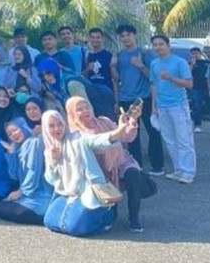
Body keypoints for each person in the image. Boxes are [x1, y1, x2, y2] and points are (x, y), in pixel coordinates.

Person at [66, 95, 155, 232]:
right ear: (72, 113)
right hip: (99, 171)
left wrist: (132, 120)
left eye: (87, 107)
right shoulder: (75, 134)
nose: (85, 111)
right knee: (110, 210)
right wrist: (116, 133)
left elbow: (127, 137)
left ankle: (134, 218)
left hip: (121, 162)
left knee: (133, 174)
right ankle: (109, 215)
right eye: (79, 109)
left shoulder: (104, 121)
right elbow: (97, 145)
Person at [41, 110, 130, 237]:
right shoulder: (49, 149)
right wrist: (53, 161)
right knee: (50, 222)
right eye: (51, 126)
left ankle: (107, 214)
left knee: (75, 228)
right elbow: (51, 180)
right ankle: (80, 215)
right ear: (45, 128)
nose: (56, 128)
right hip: (67, 193)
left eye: (59, 124)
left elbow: (97, 140)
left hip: (88, 189)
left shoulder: (78, 139)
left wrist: (118, 132)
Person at [113, 24, 164, 175]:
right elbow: (117, 79)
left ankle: (157, 166)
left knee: (153, 131)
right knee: (131, 134)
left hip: (145, 98)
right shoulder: (120, 55)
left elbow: (154, 77)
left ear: (135, 35)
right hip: (125, 99)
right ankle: (136, 166)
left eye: (128, 34)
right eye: (122, 36)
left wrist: (141, 65)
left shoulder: (146, 53)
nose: (125, 38)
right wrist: (112, 66)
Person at [148, 34, 195, 183]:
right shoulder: (154, 63)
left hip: (178, 106)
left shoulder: (180, 62)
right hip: (162, 107)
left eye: (161, 44)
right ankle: (178, 169)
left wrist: (171, 78)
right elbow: (154, 85)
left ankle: (188, 171)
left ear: (168, 45)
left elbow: (189, 84)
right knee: (169, 140)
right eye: (155, 45)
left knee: (183, 139)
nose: (158, 47)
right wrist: (154, 107)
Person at [0, 118, 52, 225]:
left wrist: (21, 191)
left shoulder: (35, 142)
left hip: (40, 192)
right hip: (27, 194)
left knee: (18, 213)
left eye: (15, 130)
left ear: (23, 127)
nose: (13, 135)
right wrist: (11, 155)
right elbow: (14, 176)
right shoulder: (19, 148)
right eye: (10, 134)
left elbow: (33, 171)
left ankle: (45, 215)